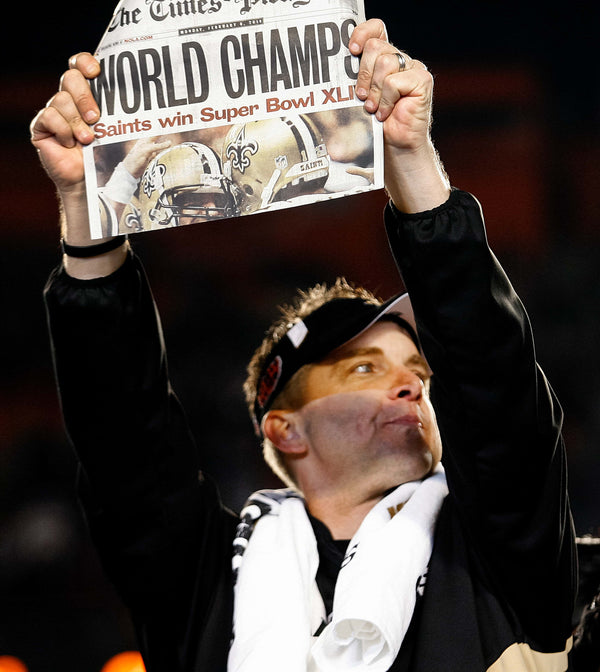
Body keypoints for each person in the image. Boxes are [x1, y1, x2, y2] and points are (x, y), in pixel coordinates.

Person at [31, 18, 577, 672]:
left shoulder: (502, 554)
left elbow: (495, 385)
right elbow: (124, 441)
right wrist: (87, 213)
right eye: (363, 368)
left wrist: (409, 159)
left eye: (418, 374)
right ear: (286, 429)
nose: (410, 387)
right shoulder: (205, 588)